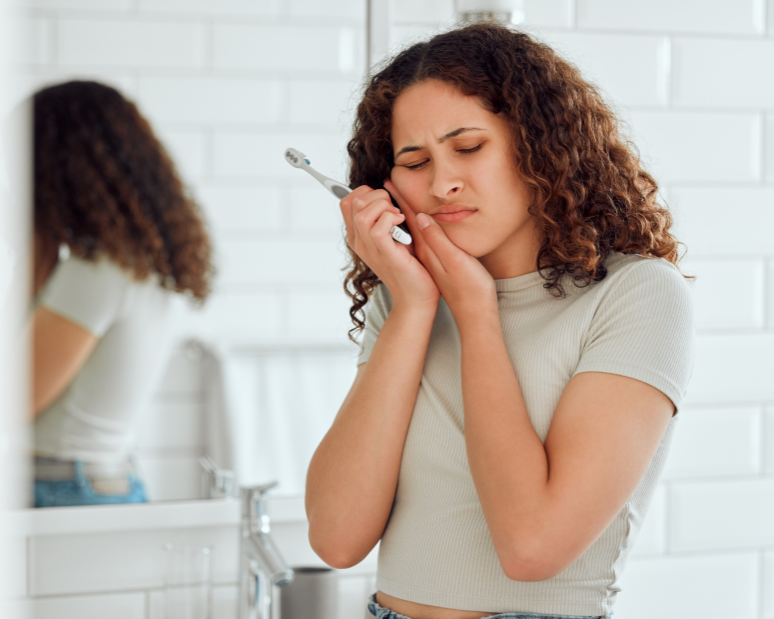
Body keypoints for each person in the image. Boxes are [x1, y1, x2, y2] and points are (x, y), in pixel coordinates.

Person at [305, 22, 695, 619]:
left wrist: (476, 312)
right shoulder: (408, 297)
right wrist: (413, 307)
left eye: (468, 147)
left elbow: (531, 547)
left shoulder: (636, 294)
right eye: (415, 161)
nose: (443, 183)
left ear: (539, 145)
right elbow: (336, 538)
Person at [30, 80, 213, 508]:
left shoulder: (94, 271)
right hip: (93, 484)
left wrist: (32, 246)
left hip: (61, 490)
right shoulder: (134, 263)